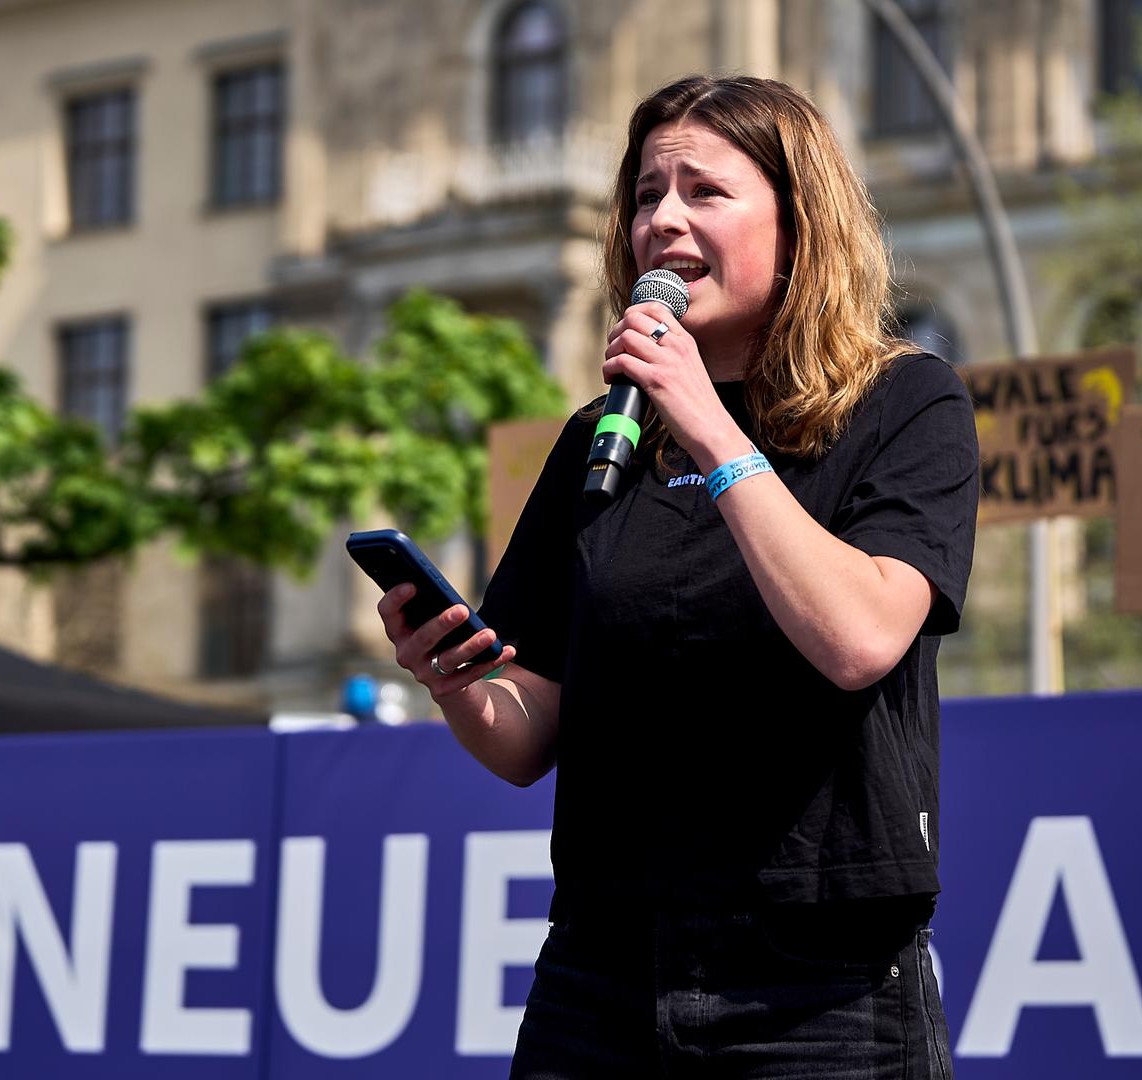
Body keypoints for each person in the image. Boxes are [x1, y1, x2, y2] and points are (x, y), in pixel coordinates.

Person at [375, 74, 977, 1079]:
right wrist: (449, 672)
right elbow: (529, 734)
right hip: (604, 966)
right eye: (647, 195)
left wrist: (711, 426)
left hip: (818, 982)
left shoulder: (906, 403)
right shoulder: (601, 440)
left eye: (704, 192)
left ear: (800, 220)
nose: (663, 222)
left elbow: (860, 637)